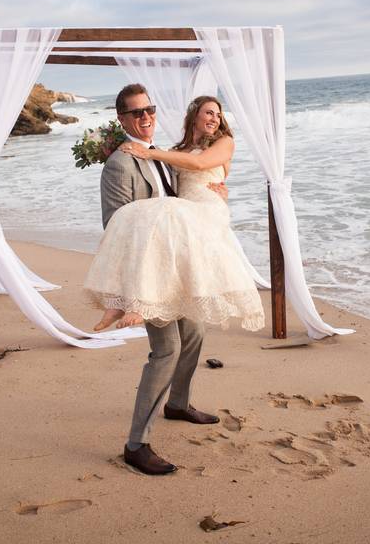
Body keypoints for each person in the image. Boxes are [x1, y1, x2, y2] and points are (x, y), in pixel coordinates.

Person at [86, 84, 263, 475]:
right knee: (165, 351)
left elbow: (188, 195)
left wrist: (219, 195)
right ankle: (137, 444)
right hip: (149, 275)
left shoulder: (165, 155)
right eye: (136, 113)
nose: (145, 117)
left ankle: (178, 404)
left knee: (196, 331)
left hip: (178, 263)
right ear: (122, 119)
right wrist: (133, 288)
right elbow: (116, 225)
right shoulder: (120, 163)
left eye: (149, 109)